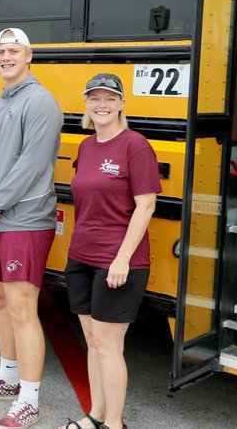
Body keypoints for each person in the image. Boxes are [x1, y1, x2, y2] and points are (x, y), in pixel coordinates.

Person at [0, 28, 63, 429]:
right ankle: (7, 378)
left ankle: (30, 399)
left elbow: (32, 165)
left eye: (13, 51)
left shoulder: (41, 102)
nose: (5, 57)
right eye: (0, 51)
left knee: (22, 309)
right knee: (0, 302)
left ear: (29, 56)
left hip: (24, 221)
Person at [58, 74, 160, 429]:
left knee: (108, 344)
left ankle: (115, 424)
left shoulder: (135, 145)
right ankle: (96, 415)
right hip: (82, 256)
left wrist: (122, 259)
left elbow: (146, 205)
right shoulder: (87, 147)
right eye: (95, 98)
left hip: (118, 262)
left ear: (121, 104)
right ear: (86, 103)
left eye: (109, 98)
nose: (102, 104)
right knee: (92, 341)